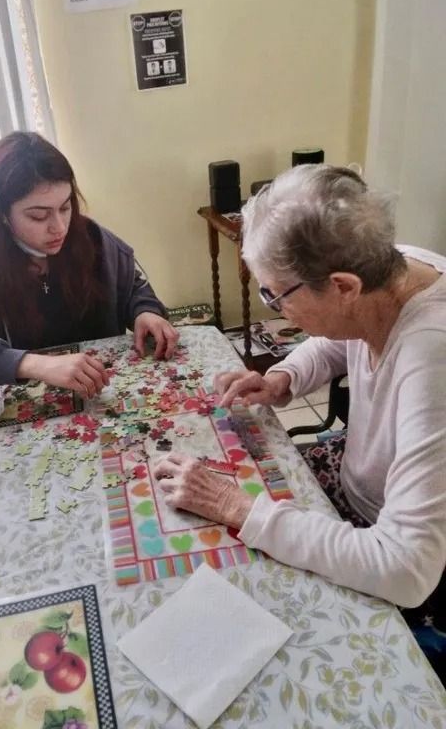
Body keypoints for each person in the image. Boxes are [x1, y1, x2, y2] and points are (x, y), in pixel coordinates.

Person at [154, 164, 446, 680]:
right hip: (362, 490)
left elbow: (407, 570)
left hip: (412, 557)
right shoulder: (396, 271)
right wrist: (284, 377)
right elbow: (343, 333)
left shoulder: (434, 358)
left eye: (276, 295)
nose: (277, 313)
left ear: (341, 285)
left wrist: (237, 507)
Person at [0, 132, 178, 394]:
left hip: (102, 392)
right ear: (2, 215)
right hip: (22, 406)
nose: (59, 227)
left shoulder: (89, 237)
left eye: (65, 208)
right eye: (39, 216)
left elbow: (132, 284)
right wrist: (32, 364)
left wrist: (145, 311)